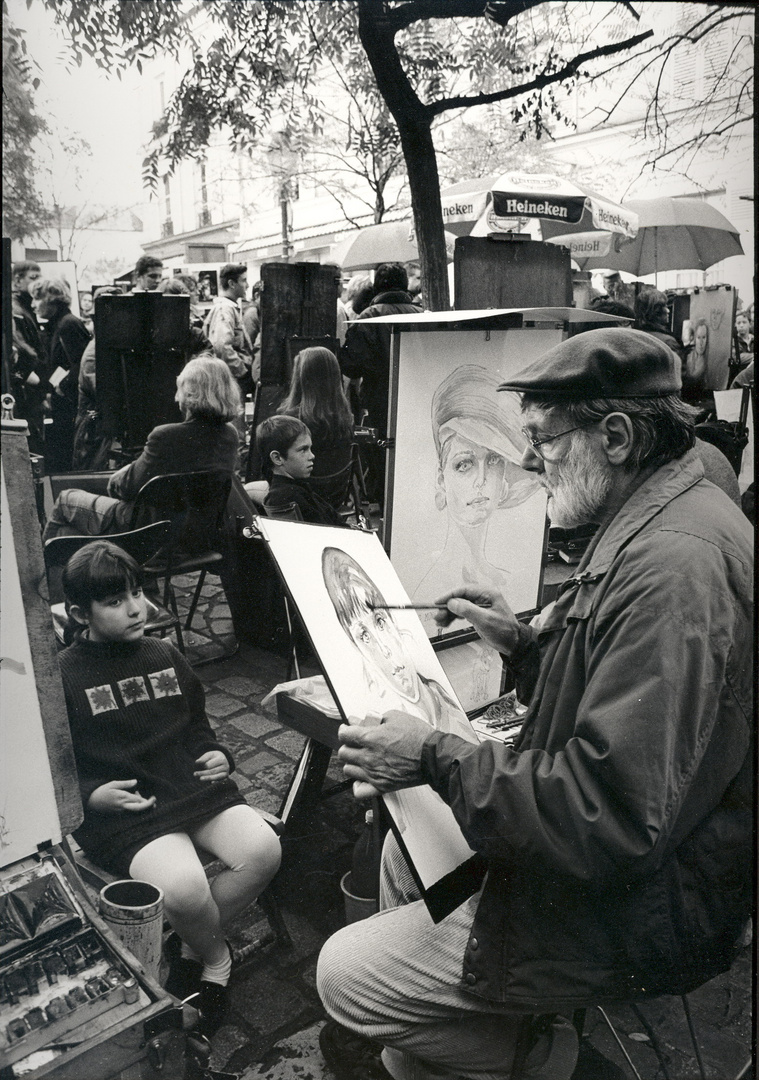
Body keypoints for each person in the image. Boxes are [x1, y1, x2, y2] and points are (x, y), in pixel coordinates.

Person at [316, 328, 753, 1080]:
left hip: (646, 904)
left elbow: (607, 814)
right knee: (403, 843)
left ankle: (558, 1060)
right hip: (641, 868)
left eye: (542, 440)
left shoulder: (673, 568)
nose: (526, 464)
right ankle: (452, 1042)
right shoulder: (661, 507)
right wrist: (523, 648)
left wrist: (430, 751)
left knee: (345, 977)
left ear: (614, 436)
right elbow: (627, 701)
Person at [58, 541, 281, 1035]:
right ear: (80, 613)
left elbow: (196, 724)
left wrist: (219, 755)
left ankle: (189, 944)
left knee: (263, 850)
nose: (136, 607)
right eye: (115, 601)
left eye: (137, 592)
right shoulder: (64, 677)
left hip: (191, 786)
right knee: (183, 888)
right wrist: (93, 794)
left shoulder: (165, 653)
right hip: (130, 810)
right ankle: (217, 958)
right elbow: (60, 765)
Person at [43, 355, 241, 540]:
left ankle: (38, 574)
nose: (175, 398)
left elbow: (126, 489)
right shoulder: (230, 435)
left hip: (147, 533)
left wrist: (123, 474)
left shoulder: (165, 436)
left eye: (179, 391)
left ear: (191, 395)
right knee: (67, 529)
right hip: (196, 537)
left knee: (65, 500)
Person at [411, 365, 540, 633]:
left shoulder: (508, 582)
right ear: (441, 480)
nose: (481, 479)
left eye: (493, 460)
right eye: (464, 464)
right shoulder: (431, 590)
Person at [322, 547, 472, 739]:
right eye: (364, 636)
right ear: (356, 647)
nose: (384, 650)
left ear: (393, 621)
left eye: (380, 621)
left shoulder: (441, 698)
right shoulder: (379, 721)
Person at [341, 263, 423, 504]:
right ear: (405, 285)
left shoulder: (368, 317)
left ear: (376, 286)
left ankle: (387, 509)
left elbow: (350, 365)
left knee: (382, 456)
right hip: (418, 397)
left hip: (379, 402)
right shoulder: (423, 314)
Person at [34, 277, 92, 472]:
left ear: (52, 300)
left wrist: (62, 386)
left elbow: (81, 363)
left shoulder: (67, 324)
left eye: (37, 299)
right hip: (64, 400)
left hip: (69, 402)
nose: (34, 304)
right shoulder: (61, 323)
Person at [278, 346, 354, 492]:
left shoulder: (293, 419)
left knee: (247, 491)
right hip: (336, 496)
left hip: (303, 495)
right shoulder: (347, 418)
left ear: (302, 378)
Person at [258, 415, 345, 526]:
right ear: (277, 458)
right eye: (303, 450)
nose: (312, 456)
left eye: (310, 448)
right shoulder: (287, 496)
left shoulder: (297, 488)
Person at [10, 260, 46, 452]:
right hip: (28, 392)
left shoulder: (23, 308)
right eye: (33, 277)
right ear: (17, 281)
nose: (38, 282)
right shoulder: (17, 311)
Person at [204, 263, 257, 391]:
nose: (247, 285)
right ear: (232, 284)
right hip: (231, 379)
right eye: (244, 280)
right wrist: (242, 371)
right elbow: (221, 346)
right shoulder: (224, 309)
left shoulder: (229, 308)